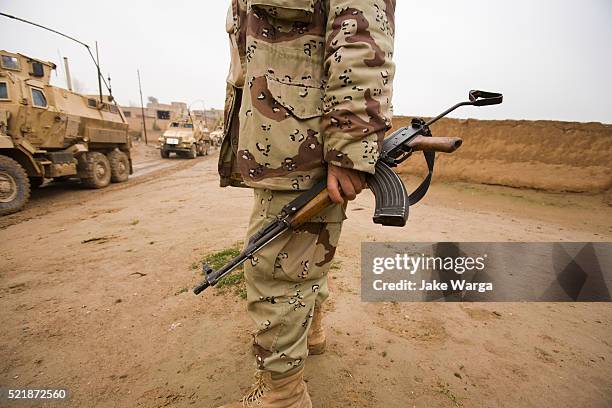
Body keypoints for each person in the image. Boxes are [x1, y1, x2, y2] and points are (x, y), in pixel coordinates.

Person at [217, 0, 395, 406]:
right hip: (286, 136)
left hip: (307, 139)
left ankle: (283, 394)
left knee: (276, 271)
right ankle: (309, 334)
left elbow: (363, 35)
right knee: (303, 259)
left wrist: (351, 146)